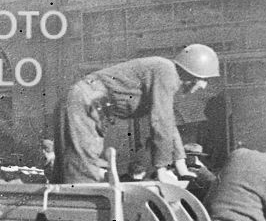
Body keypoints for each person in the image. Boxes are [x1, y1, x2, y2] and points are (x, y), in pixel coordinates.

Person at [56, 44, 220, 183]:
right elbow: (160, 121)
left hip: (93, 103)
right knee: (84, 166)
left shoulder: (166, 74)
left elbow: (168, 124)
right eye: (204, 80)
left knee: (86, 163)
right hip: (87, 99)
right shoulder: (167, 72)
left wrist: (181, 165)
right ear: (192, 73)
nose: (204, 86)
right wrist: (161, 168)